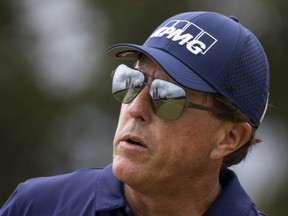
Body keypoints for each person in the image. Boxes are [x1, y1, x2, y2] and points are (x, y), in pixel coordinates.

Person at [0, 11, 269, 216]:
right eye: (131, 82)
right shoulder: (37, 206)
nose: (136, 108)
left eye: (167, 96)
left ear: (230, 137)